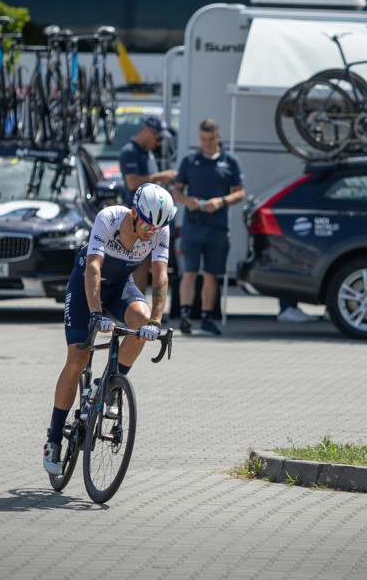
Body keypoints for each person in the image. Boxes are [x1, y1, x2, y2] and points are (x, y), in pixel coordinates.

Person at [43, 183, 175, 475]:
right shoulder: (109, 218)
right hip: (85, 285)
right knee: (77, 358)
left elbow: (161, 276)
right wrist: (94, 314)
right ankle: (53, 439)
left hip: (118, 288)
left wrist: (155, 321)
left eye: (157, 227)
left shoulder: (158, 229)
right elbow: (93, 268)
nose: (150, 232)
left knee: (140, 321)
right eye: (146, 224)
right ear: (133, 212)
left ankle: (110, 387)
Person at [172, 118, 245, 335]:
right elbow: (176, 191)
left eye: (210, 139)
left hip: (218, 228)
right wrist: (187, 201)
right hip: (193, 226)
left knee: (211, 274)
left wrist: (221, 202)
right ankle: (185, 316)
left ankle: (206, 317)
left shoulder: (230, 161)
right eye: (203, 139)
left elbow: (240, 192)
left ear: (218, 137)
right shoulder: (190, 160)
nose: (206, 143)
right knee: (190, 272)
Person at [118, 115, 177, 293]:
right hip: (137, 218)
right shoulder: (130, 151)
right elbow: (132, 182)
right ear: (146, 131)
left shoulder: (147, 152)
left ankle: (139, 306)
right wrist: (159, 176)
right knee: (137, 264)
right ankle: (133, 308)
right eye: (158, 138)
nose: (159, 143)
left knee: (145, 263)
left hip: (149, 218)